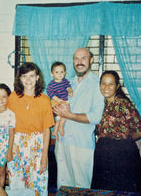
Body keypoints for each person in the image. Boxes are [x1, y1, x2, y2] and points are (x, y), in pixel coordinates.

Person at [53, 47, 104, 189]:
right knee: (63, 186)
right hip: (62, 142)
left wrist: (69, 115)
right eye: (76, 58)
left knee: (81, 187)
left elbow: (96, 117)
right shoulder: (66, 83)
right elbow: (56, 107)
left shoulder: (97, 84)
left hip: (81, 145)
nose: (79, 62)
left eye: (83, 58)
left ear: (91, 60)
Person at [91, 70, 141, 193]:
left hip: (123, 156)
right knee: (104, 189)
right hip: (103, 153)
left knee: (122, 189)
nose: (106, 87)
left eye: (111, 84)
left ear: (117, 86)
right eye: (103, 83)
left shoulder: (124, 104)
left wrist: (122, 141)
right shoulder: (100, 104)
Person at [7, 62, 55, 196]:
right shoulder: (13, 97)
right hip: (17, 143)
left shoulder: (44, 100)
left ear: (38, 77)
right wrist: (9, 149)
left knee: (37, 182)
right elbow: (10, 127)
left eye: (32, 76)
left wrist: (44, 155)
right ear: (20, 79)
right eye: (24, 76)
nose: (28, 80)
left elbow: (47, 130)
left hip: (37, 145)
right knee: (16, 182)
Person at [46, 61, 73, 139]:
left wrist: (70, 91)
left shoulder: (65, 81)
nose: (60, 74)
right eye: (57, 72)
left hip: (64, 100)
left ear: (65, 73)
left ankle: (54, 131)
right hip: (56, 101)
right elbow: (49, 92)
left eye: (62, 72)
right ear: (52, 74)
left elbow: (68, 87)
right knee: (64, 113)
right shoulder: (51, 84)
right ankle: (61, 127)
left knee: (61, 116)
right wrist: (57, 100)